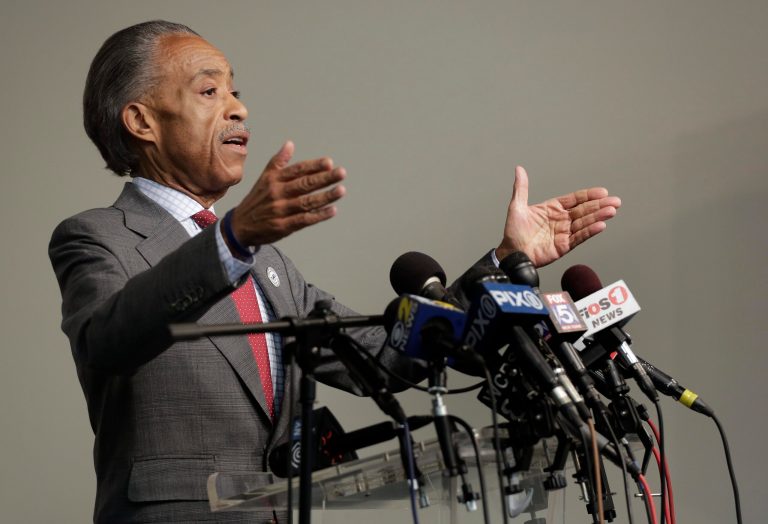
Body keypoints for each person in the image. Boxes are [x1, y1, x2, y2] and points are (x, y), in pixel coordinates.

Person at [49, 20, 621, 524]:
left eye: (235, 91)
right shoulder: (98, 236)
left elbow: (387, 356)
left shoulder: (266, 261)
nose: (238, 108)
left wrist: (500, 265)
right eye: (208, 90)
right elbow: (108, 341)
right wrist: (233, 237)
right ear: (141, 121)